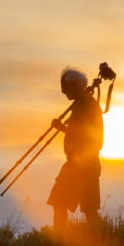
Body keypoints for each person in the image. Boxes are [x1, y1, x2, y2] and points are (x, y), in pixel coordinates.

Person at [46, 66, 104, 232]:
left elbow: (83, 133)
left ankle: (58, 242)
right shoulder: (87, 103)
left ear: (75, 85)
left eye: (65, 88)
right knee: (90, 209)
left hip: (79, 162)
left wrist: (60, 127)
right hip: (92, 163)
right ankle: (105, 241)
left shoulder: (84, 105)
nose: (64, 93)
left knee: (59, 200)